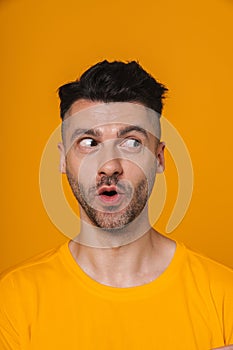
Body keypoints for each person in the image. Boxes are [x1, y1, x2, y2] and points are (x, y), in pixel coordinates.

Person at [0, 60, 232, 350]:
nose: (109, 166)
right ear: (62, 159)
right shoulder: (12, 300)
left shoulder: (225, 297)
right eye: (88, 142)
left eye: (132, 142)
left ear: (159, 159)